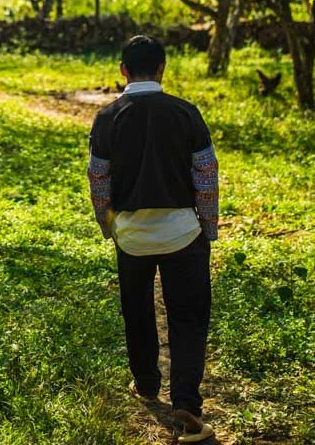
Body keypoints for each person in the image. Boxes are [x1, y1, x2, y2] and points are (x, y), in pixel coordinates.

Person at [87, 35, 218, 443]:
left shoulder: (108, 117)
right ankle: (186, 404)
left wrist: (108, 227)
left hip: (132, 236)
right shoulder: (186, 113)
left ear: (123, 70)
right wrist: (208, 230)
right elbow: (206, 175)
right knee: (188, 316)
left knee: (137, 310)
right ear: (163, 68)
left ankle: (145, 383)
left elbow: (99, 179)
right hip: (183, 233)